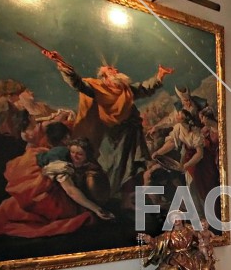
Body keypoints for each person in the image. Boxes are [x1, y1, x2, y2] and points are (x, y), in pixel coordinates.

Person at [41, 48, 174, 200]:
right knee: (116, 166)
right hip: (112, 136)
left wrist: (160, 75)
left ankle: (133, 197)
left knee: (135, 165)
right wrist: (60, 61)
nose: (115, 70)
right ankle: (110, 196)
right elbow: (77, 83)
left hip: (132, 134)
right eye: (110, 70)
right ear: (104, 77)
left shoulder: (126, 90)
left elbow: (144, 88)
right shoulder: (98, 89)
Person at [0, 119, 112, 238]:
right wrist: (96, 209)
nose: (75, 155)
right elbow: (70, 190)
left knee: (9, 209)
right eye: (73, 152)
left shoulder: (47, 152)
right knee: (73, 212)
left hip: (42, 192)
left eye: (79, 154)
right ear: (66, 137)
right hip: (50, 198)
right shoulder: (59, 159)